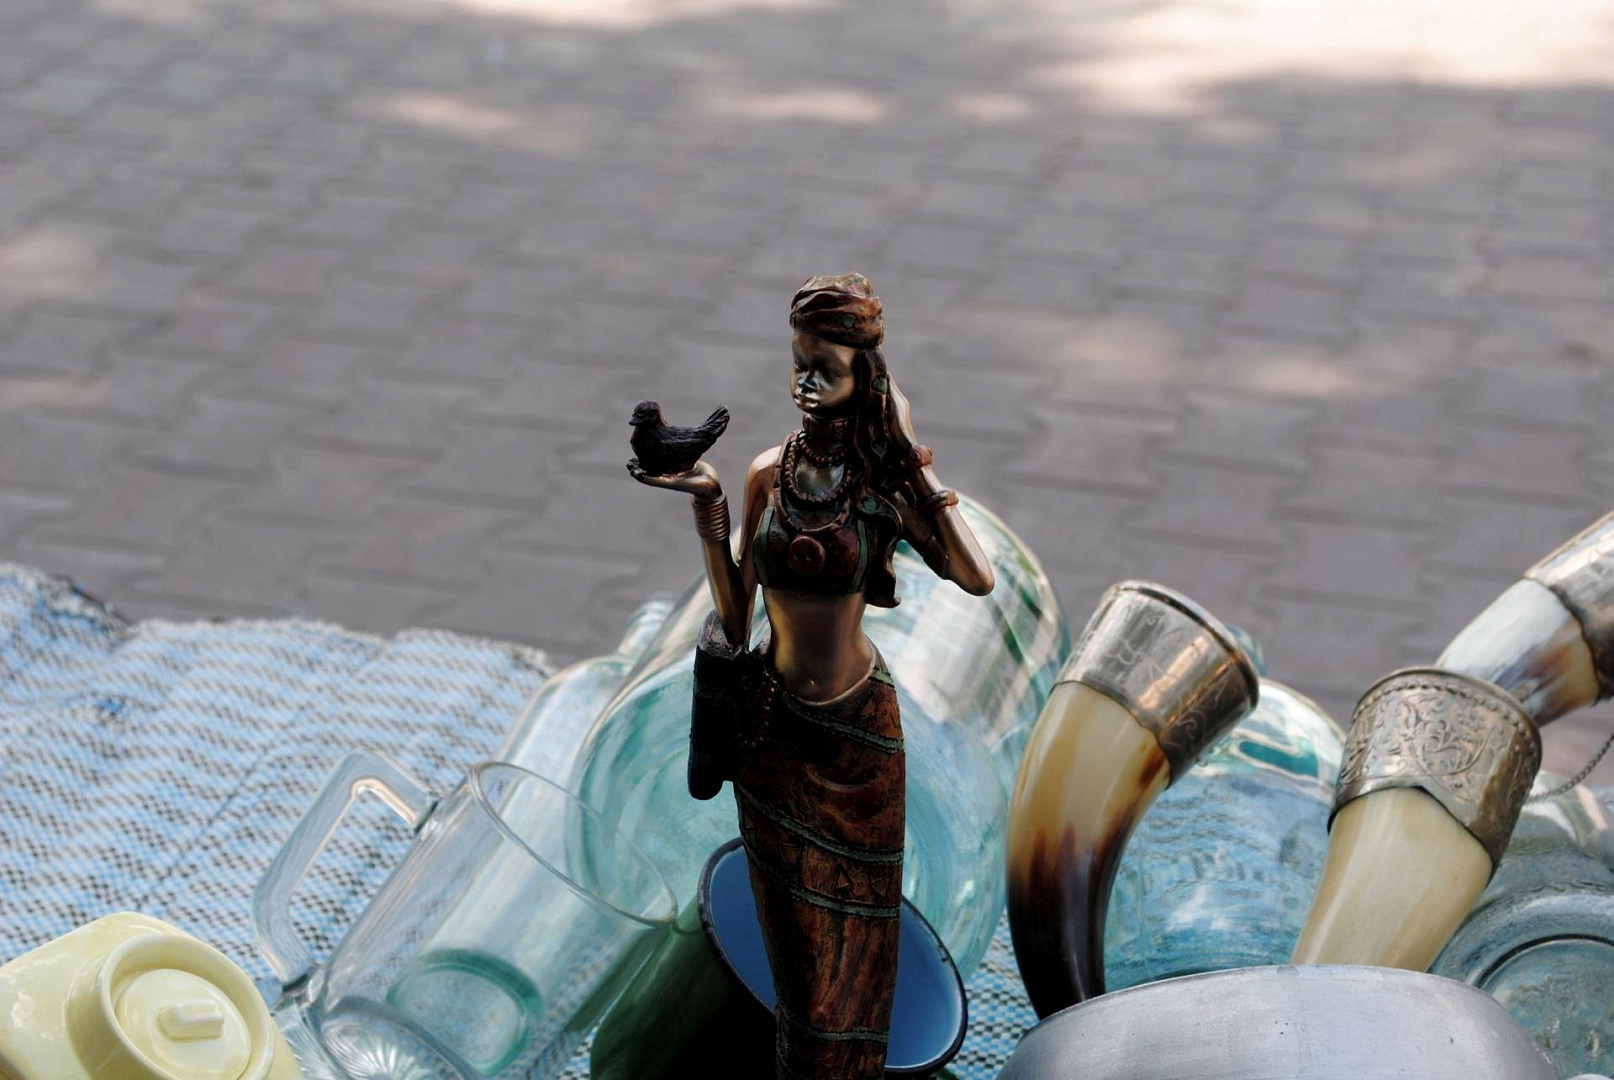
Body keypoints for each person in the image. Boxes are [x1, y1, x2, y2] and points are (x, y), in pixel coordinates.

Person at [629, 272, 993, 1079]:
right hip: (773, 735)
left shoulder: (881, 487)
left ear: (868, 378)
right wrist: (707, 503)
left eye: (825, 368)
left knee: (857, 959)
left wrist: (912, 462)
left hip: (860, 748)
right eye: (799, 364)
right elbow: (735, 619)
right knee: (801, 978)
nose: (805, 383)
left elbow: (977, 576)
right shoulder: (769, 474)